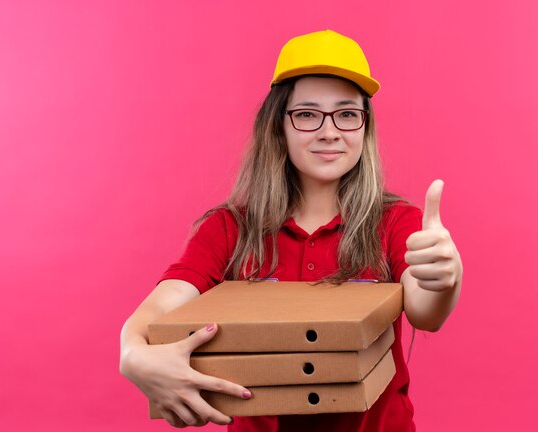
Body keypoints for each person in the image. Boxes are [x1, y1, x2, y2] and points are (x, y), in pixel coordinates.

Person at [120, 29, 462, 431]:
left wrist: (445, 277)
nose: (329, 131)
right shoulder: (230, 229)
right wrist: (132, 356)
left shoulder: (395, 222)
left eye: (347, 114)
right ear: (277, 125)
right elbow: (159, 308)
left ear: (365, 128)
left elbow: (426, 312)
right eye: (307, 114)